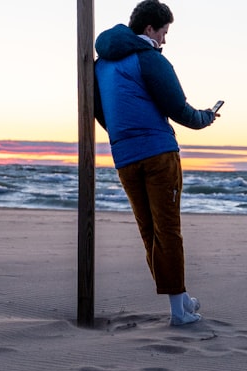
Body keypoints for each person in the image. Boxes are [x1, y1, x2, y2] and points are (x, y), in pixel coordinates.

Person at [93, 0, 220, 326]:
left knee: (150, 231)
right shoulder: (149, 59)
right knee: (169, 231)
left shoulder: (100, 65)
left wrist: (128, 136)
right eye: (164, 32)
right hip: (159, 156)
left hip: (125, 158)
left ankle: (182, 300)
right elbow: (180, 109)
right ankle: (179, 312)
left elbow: (101, 112)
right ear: (149, 29)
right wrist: (206, 117)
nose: (164, 40)